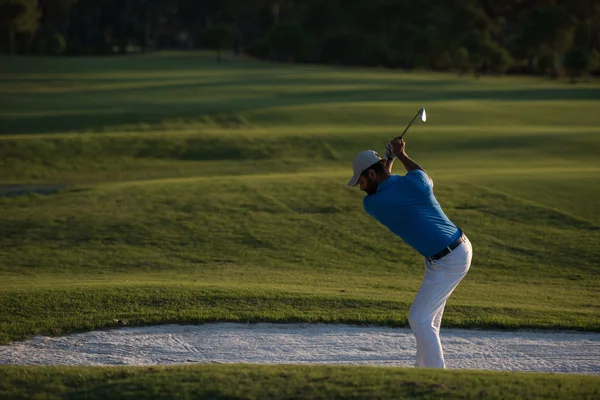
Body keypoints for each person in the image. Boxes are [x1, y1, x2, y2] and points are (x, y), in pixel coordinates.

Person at [347, 137, 473, 369]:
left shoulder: (373, 203)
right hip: (452, 251)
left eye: (361, 181)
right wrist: (401, 155)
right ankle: (422, 372)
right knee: (427, 321)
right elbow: (421, 176)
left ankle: (437, 378)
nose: (361, 188)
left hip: (449, 259)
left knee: (419, 319)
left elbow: (386, 185)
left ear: (372, 176)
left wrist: (390, 160)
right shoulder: (414, 184)